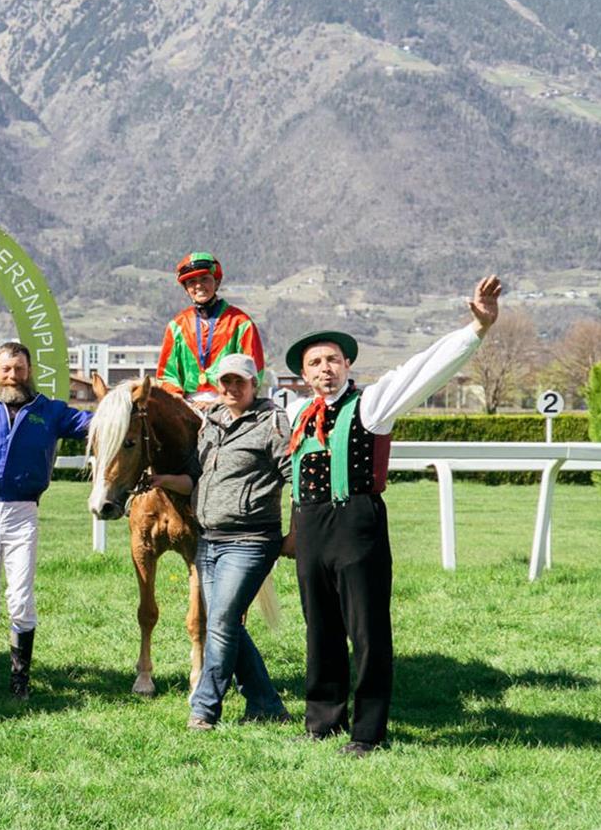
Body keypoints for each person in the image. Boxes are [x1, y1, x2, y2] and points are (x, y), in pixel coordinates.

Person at [284, 275, 503, 757]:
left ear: (347, 365)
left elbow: (424, 370)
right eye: (315, 363)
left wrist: (477, 328)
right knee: (319, 629)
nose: (325, 369)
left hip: (356, 525)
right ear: (304, 375)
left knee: (366, 631)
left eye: (332, 360)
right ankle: (322, 721)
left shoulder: (372, 405)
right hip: (312, 531)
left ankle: (368, 732)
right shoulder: (299, 416)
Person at [141, 352, 294, 730]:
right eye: (225, 381)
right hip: (210, 540)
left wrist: (298, 534)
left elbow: (295, 477)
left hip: (252, 539)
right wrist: (161, 481)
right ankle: (266, 704)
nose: (231, 388)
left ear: (253, 384)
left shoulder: (272, 422)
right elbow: (193, 478)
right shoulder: (211, 423)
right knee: (229, 625)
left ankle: (205, 707)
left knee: (222, 620)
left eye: (239, 381)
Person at [0, 342, 92, 699]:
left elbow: (94, 423)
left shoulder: (49, 411)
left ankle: (20, 681)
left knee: (21, 597)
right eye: (6, 369)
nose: (13, 376)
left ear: (29, 371)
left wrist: (124, 404)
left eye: (20, 369)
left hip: (23, 513)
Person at [154, 252, 266, 405]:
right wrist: (180, 403)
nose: (199, 286)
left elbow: (254, 371)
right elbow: (166, 375)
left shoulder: (241, 323)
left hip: (231, 402)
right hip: (186, 405)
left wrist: (221, 400)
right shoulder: (176, 326)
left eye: (204, 279)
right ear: (186, 289)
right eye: (192, 282)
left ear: (217, 282)